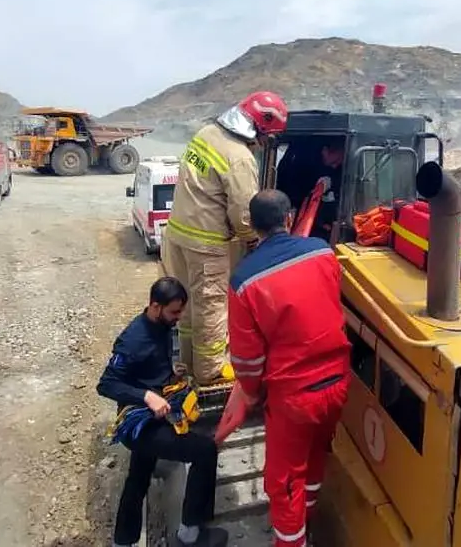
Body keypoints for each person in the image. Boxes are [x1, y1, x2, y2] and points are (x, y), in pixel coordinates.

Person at [226, 190, 352, 547]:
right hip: (338, 382)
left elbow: (247, 361)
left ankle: (292, 539)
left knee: (284, 483)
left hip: (294, 399)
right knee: (314, 456)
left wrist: (250, 393)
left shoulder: (244, 281)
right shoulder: (324, 252)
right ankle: (307, 520)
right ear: (290, 215)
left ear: (251, 225)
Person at [162, 90, 290, 385]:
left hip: (179, 234)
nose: (262, 143)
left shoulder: (206, 133)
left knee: (190, 306)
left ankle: (191, 364)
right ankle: (211, 372)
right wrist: (254, 241)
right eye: (266, 136)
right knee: (212, 307)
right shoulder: (240, 158)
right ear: (260, 127)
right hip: (207, 244)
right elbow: (246, 212)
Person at [97, 277, 228, 547]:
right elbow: (106, 384)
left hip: (155, 417)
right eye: (174, 312)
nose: (178, 318)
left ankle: (123, 541)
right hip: (141, 424)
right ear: (155, 307)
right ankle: (190, 533)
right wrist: (146, 396)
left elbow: (151, 367)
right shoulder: (133, 340)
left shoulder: (162, 325)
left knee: (139, 478)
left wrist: (169, 374)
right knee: (205, 451)